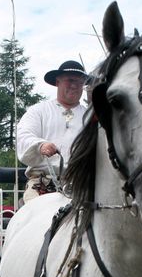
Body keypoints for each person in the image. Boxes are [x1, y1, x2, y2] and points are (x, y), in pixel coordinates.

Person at [16, 59, 90, 199]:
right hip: (42, 183)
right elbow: (23, 135)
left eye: (79, 82)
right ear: (58, 82)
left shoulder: (90, 118)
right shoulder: (38, 111)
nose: (74, 85)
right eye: (69, 80)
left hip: (82, 185)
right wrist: (40, 145)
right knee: (36, 217)